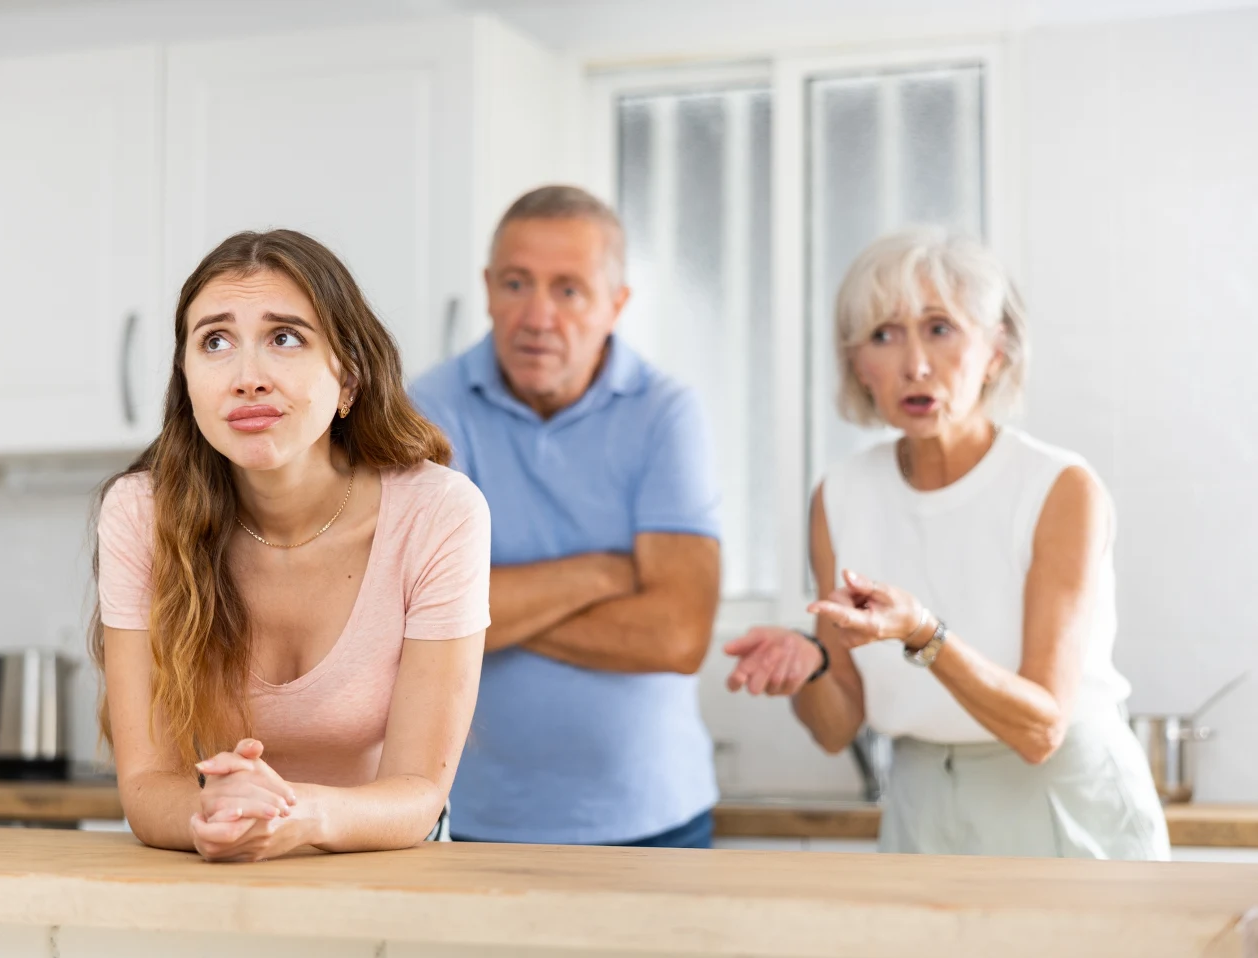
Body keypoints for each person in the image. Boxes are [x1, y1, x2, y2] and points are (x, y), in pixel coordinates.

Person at [724, 229, 1168, 859]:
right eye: (883, 335)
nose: (915, 365)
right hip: (921, 803)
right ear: (858, 366)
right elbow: (835, 728)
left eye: (940, 328)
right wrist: (811, 665)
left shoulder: (1059, 488)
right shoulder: (840, 495)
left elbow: (1041, 729)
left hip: (1065, 802)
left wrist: (923, 634)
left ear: (996, 351)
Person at [90, 229, 490, 863]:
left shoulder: (438, 512)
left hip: (385, 864)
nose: (247, 378)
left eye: (285, 338)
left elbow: (418, 791)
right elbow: (145, 787)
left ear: (349, 378)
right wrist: (211, 814)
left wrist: (296, 814)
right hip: (220, 866)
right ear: (187, 382)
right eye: (215, 342)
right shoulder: (142, 514)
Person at [411, 185, 722, 847]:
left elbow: (677, 636)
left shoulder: (666, 413)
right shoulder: (427, 408)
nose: (537, 316)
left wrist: (487, 609)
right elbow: (410, 614)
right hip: (471, 821)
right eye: (516, 284)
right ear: (487, 290)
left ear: (616, 304)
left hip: (656, 824)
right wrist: (602, 574)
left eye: (569, 290)